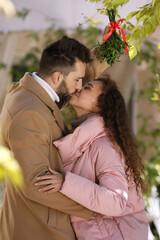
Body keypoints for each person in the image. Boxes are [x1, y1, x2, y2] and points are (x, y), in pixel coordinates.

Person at [0, 34, 108, 240]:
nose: (80, 87)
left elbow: (79, 78)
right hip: (38, 229)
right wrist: (95, 206)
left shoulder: (33, 93)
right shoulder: (29, 112)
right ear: (57, 77)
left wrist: (110, 47)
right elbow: (35, 184)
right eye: (77, 80)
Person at [35, 75, 149, 240]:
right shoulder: (83, 141)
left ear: (99, 104)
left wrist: (65, 182)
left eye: (87, 87)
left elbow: (115, 202)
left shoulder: (104, 146)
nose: (79, 88)